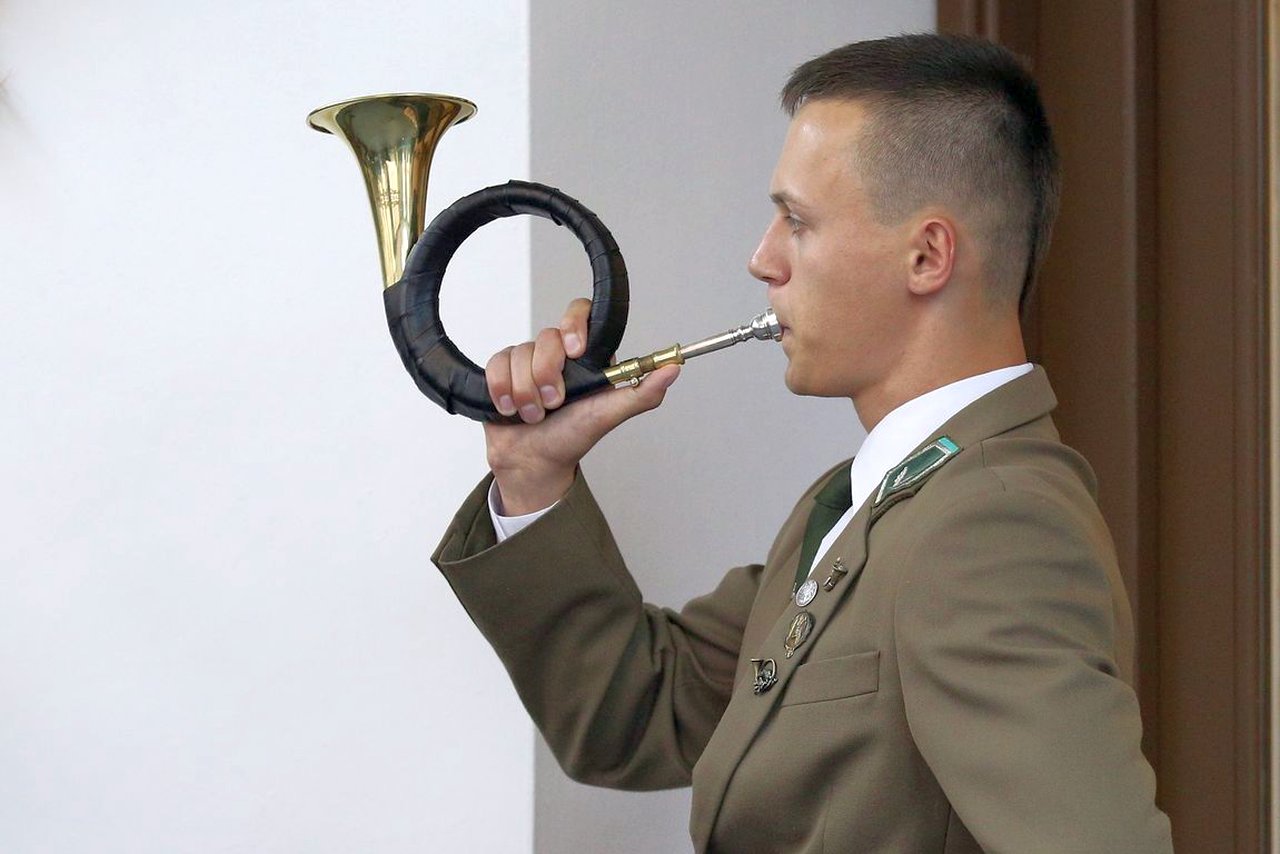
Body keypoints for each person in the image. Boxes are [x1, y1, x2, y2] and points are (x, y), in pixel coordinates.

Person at [433, 33, 1174, 852]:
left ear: (927, 255)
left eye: (797, 221)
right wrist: (531, 472)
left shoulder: (990, 529)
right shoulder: (870, 502)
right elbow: (637, 714)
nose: (762, 259)